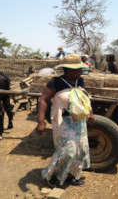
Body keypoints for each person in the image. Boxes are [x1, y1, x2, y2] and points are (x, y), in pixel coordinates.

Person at [36, 54, 94, 188]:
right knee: (68, 150)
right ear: (67, 70)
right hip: (63, 121)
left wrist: (90, 113)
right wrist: (40, 121)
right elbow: (44, 99)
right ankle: (52, 176)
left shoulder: (80, 81)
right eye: (77, 70)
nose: (80, 72)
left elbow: (84, 98)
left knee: (81, 149)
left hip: (79, 119)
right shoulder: (55, 82)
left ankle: (73, 175)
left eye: (80, 69)